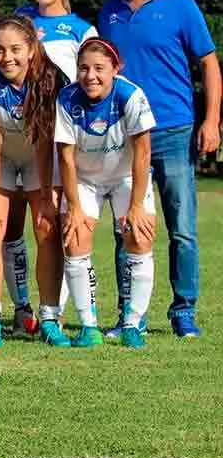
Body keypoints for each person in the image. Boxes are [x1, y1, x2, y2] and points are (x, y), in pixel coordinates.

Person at [98, 0, 220, 339]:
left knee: (181, 228)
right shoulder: (107, 11)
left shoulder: (181, 7)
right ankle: (131, 315)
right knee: (128, 226)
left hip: (173, 129)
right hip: (127, 137)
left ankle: (183, 310)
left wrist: (211, 120)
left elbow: (209, 63)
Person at [0, 0, 97, 333]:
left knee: (50, 226)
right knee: (9, 228)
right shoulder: (20, 22)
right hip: (13, 140)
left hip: (58, 143)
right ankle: (23, 310)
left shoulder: (81, 29)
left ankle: (51, 312)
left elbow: (89, 83)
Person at [0, 16, 67, 347]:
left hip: (38, 154)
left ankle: (50, 317)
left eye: (15, 49)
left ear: (32, 49)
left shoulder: (51, 78)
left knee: (46, 227)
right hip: (1, 156)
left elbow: (44, 139)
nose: (6, 57)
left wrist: (45, 198)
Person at [56, 38, 157, 348]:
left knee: (139, 237)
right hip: (85, 179)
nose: (91, 76)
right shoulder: (66, 99)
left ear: (116, 68)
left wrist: (137, 206)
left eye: (99, 68)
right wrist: (73, 206)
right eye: (84, 68)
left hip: (126, 175)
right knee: (75, 239)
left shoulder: (130, 95)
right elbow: (66, 158)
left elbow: (142, 153)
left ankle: (133, 322)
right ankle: (89, 326)